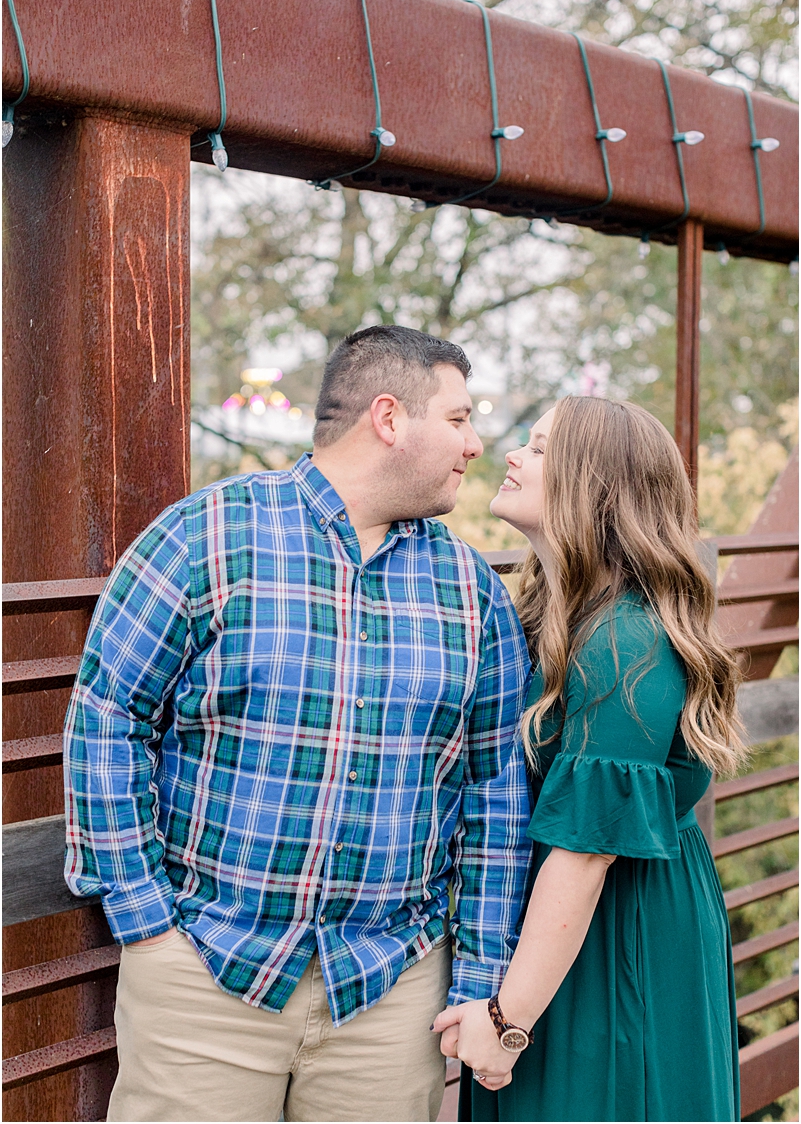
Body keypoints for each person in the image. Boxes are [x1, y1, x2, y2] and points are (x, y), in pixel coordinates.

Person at [63, 325, 533, 1124]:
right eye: (457, 419)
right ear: (389, 418)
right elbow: (108, 716)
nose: (476, 443)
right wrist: (145, 922)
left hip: (391, 992)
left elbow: (495, 793)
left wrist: (482, 976)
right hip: (205, 977)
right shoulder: (205, 537)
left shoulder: (471, 590)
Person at [434, 395, 745, 1123]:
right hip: (564, 929)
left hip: (613, 932)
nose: (509, 455)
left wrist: (507, 1021)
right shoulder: (550, 618)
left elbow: (584, 857)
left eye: (539, 448)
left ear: (594, 487)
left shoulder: (623, 642)